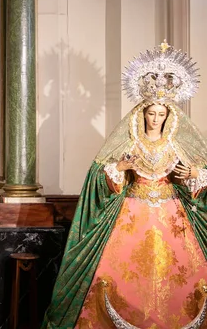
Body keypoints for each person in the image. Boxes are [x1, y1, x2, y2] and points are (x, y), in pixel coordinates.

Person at [42, 42, 207, 328]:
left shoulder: (177, 144)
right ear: (142, 113)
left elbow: (198, 176)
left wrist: (194, 172)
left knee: (177, 276)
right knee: (125, 274)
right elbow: (98, 175)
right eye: (151, 113)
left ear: (169, 117)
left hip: (173, 217)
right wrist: (118, 168)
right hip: (132, 215)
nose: (155, 119)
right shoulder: (129, 141)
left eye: (161, 115)